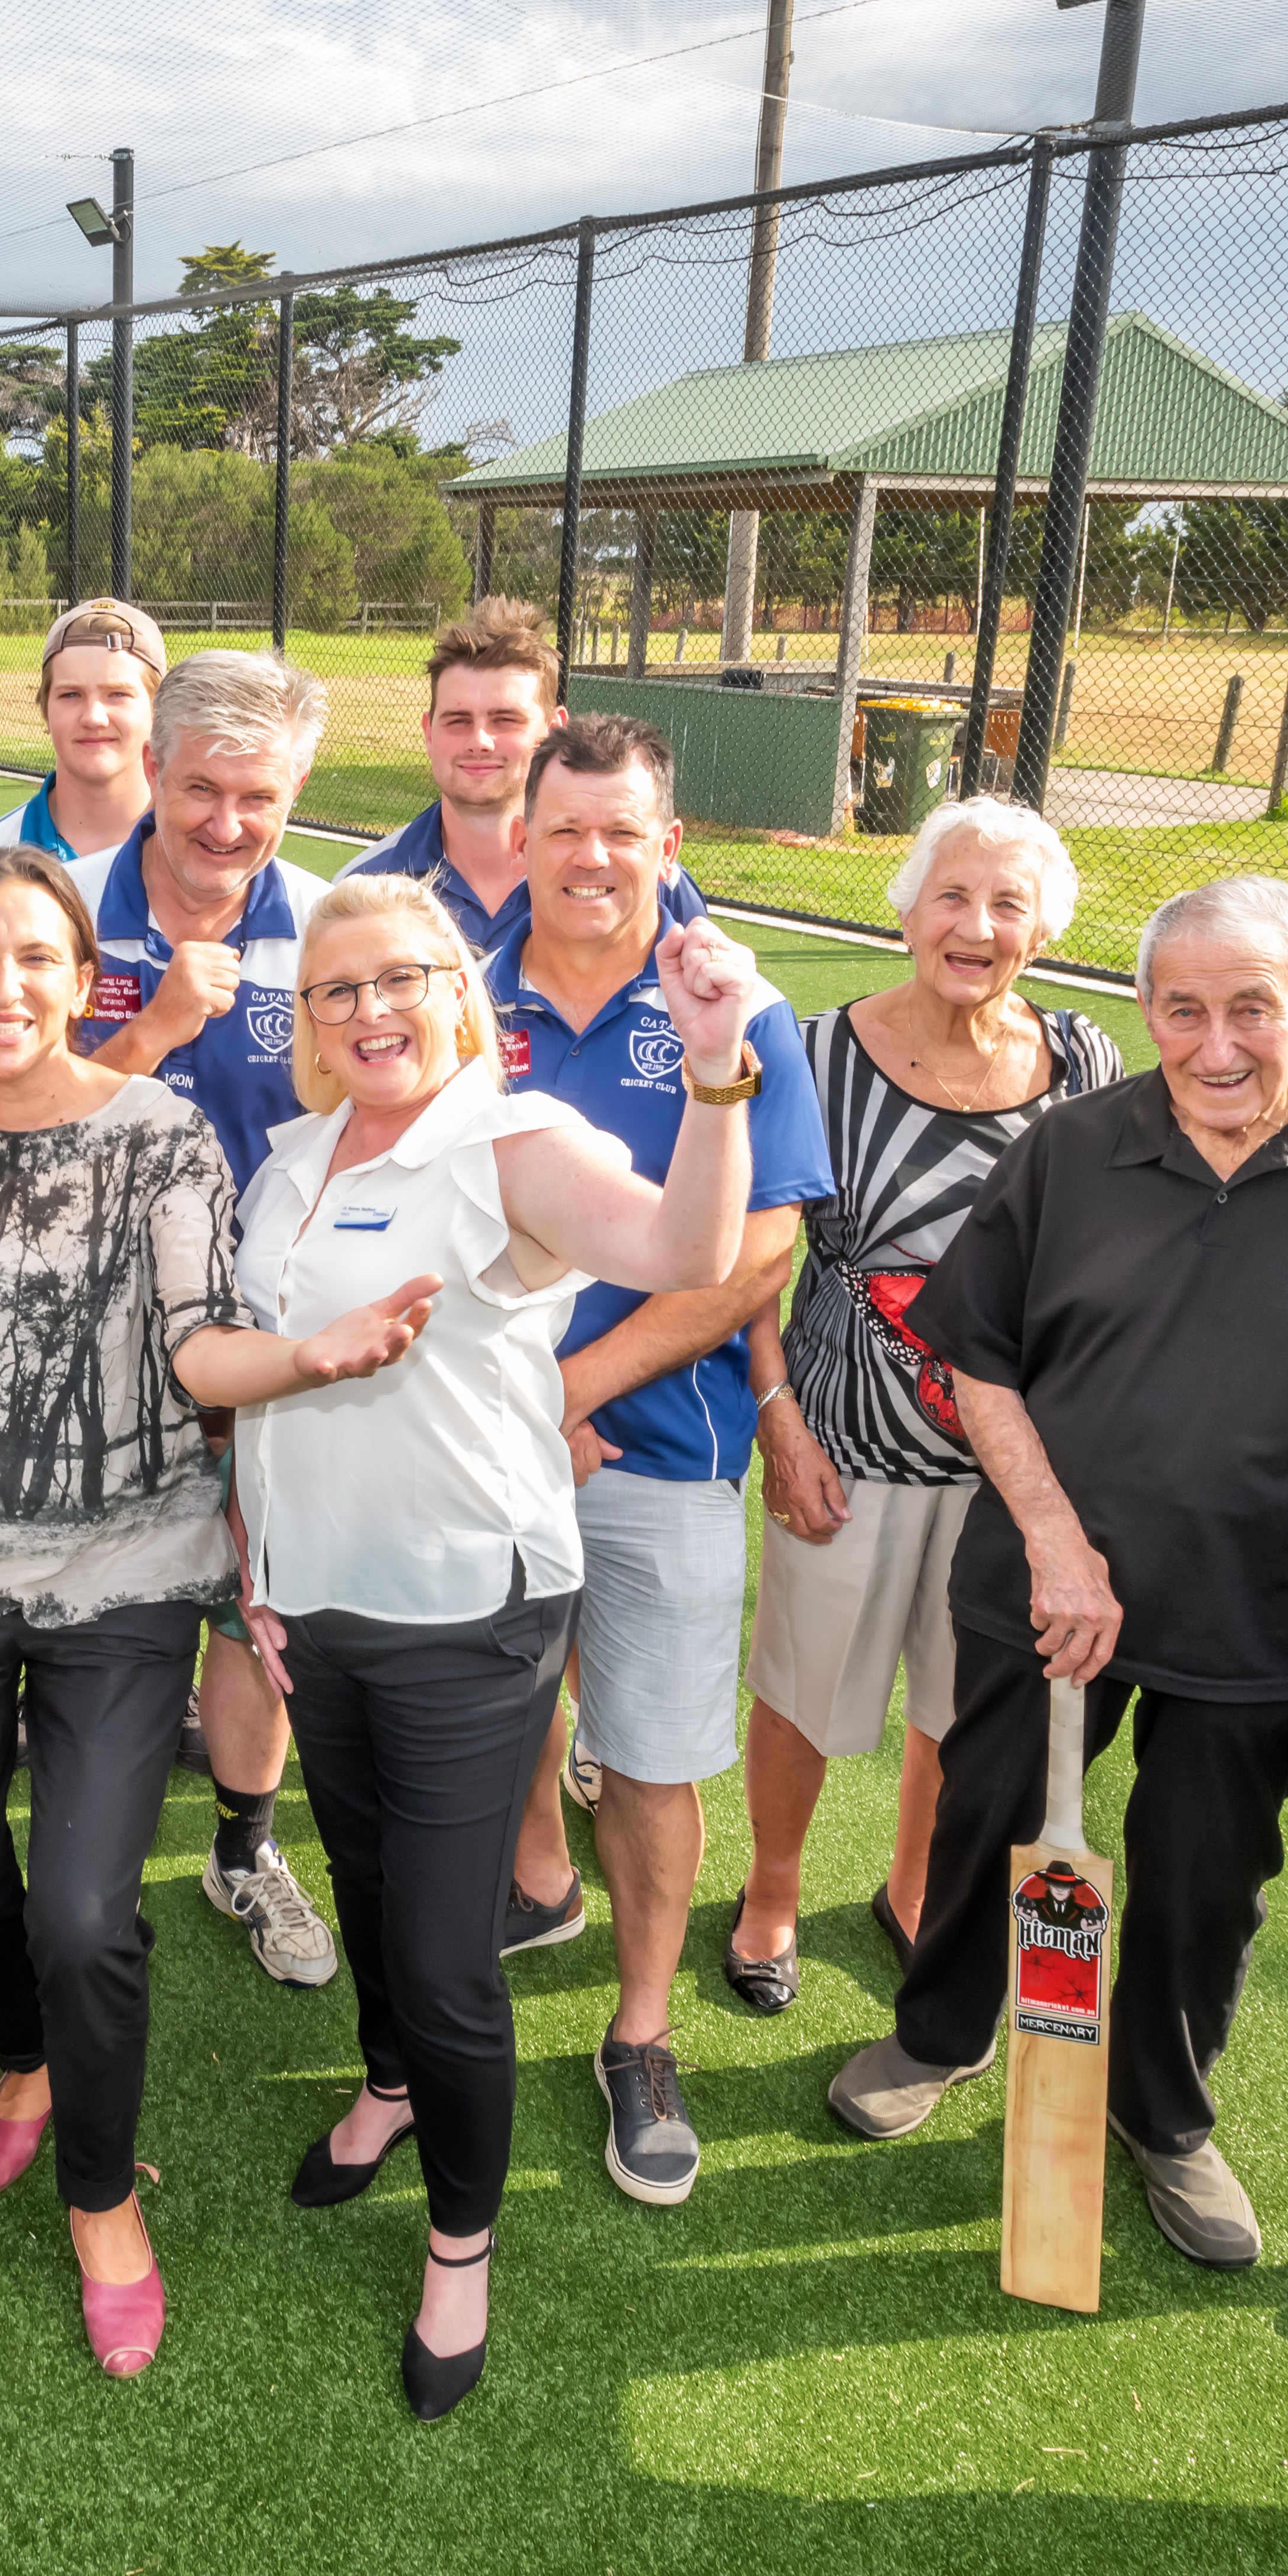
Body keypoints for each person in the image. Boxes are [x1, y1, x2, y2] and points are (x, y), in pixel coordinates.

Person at [0, 848, 442, 2377]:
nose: (5, 987)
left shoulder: (164, 1139)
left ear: (88, 987)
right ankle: (18, 2063)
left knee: (86, 1912)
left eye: (37, 960)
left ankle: (100, 2201)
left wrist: (310, 1361)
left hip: (126, 1573)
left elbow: (202, 1345)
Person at [827, 874, 1288, 2276]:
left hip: (1270, 1600)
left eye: (1251, 1005)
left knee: (1206, 1869)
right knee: (988, 1815)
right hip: (1039, 1579)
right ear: (1145, 1010)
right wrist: (1059, 1546)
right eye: (1180, 1009)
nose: (1215, 1043)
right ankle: (939, 2028)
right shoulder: (1072, 1147)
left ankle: (1161, 2110)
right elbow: (976, 1354)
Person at [235, 876, 775, 2416]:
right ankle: (390, 2087)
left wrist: (721, 1068)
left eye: (397, 979)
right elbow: (267, 1382)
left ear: (454, 991)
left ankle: (461, 2243)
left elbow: (686, 1245)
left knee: (443, 1952)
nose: (366, 1012)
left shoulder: (510, 1140)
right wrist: (255, 1563)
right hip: (314, 1601)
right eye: (334, 991)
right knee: (359, 1875)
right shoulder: (290, 1160)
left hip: (468, 1609)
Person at [477, 713, 827, 2210]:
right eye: (566, 829)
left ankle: (639, 2028)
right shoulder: (451, 991)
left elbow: (760, 1250)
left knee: (659, 1749)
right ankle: (528, 1896)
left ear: (666, 843)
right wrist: (508, 1404)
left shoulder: (738, 1007)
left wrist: (568, 1384)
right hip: (473, 1450)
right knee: (492, 1714)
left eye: (625, 830)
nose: (594, 856)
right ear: (524, 839)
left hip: (659, 1450)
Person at [722, 798, 1117, 2012]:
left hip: (1007, 1468)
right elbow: (752, 1259)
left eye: (1007, 904)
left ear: (1041, 931)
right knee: (801, 1686)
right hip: (841, 1440)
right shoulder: (813, 1049)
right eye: (952, 895)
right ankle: (772, 1892)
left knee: (959, 1704)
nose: (976, 925)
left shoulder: (1083, 1059)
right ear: (904, 908)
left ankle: (912, 1886)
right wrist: (777, 1418)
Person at [69, 648, 342, 1990]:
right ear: (151, 773)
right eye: (200, 791)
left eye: (260, 796)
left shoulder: (341, 927)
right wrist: (150, 1030)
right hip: (86, 1344)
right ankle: (83, 1858)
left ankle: (242, 1844)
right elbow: (2, 1125)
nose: (227, 823)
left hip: (265, 1354)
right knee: (101, 1612)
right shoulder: (56, 912)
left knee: (254, 1615)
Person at [339, 595, 704, 948]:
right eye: (457, 720)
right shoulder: (365, 885)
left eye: (505, 719)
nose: (480, 740)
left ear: (554, 730)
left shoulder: (656, 886)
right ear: (429, 733)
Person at [0, 596, 164, 867]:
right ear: (45, 709)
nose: (93, 718)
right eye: (71, 694)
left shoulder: (204, 857)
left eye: (118, 694)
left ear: (158, 710)